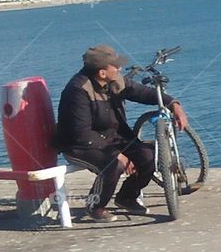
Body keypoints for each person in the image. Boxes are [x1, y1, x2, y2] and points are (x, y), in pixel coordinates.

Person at [54, 44, 189, 222]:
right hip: (80, 145)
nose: (119, 68)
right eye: (115, 66)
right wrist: (118, 155)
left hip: (113, 138)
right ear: (102, 73)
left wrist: (173, 104)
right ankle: (95, 206)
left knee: (148, 157)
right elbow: (81, 134)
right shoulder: (78, 91)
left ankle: (127, 197)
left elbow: (142, 93)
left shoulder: (114, 81)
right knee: (113, 165)